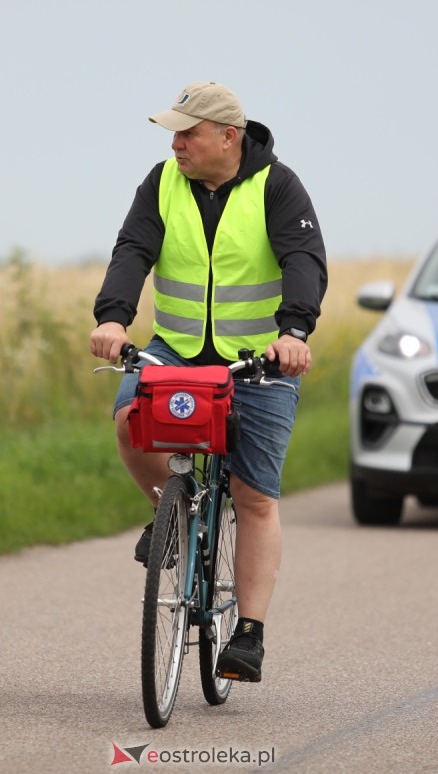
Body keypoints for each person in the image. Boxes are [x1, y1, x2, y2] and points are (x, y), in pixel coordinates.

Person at [90, 82, 327, 683]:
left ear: (228, 136)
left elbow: (304, 258)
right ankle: (173, 515)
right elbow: (133, 249)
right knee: (128, 422)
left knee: (253, 496)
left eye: (187, 133)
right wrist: (113, 317)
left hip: (259, 359)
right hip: (176, 347)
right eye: (172, 133)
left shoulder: (278, 186)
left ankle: (249, 634)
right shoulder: (162, 181)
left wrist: (294, 332)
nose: (175, 144)